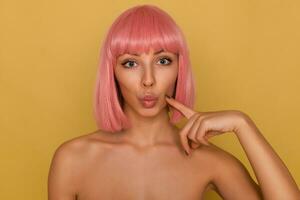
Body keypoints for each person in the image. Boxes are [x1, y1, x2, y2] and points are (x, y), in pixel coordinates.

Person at [48, 4, 300, 200]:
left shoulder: (210, 162)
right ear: (112, 72)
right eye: (131, 63)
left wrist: (242, 124)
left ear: (181, 67)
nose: (148, 80)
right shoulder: (72, 159)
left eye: (163, 61)